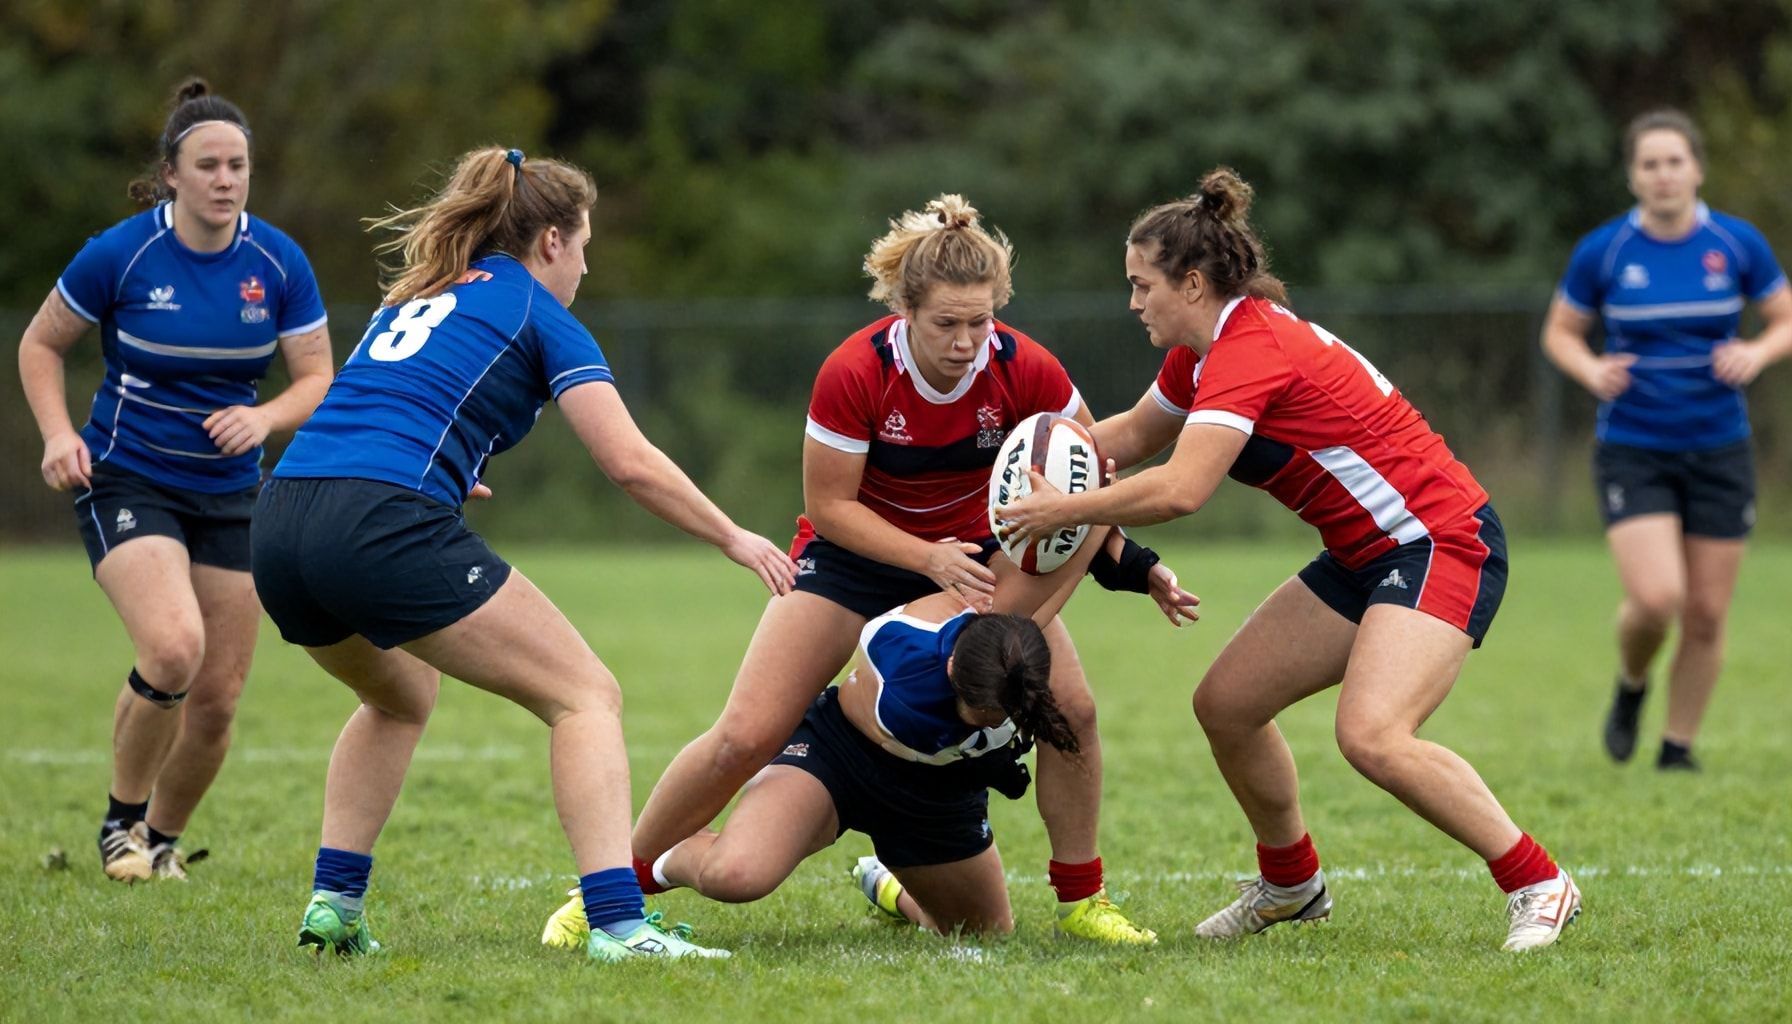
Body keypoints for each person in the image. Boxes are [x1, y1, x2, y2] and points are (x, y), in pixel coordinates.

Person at [998, 168, 1580, 952]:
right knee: (1228, 704)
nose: (1133, 303)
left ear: (1193, 283)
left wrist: (1060, 508)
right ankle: (1292, 885)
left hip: (1441, 540)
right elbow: (1130, 437)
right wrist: (1011, 461)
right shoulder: (1201, 353)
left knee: (1373, 734)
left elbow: (1181, 488)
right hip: (1362, 555)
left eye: (1143, 286)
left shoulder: (1251, 346)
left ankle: (1538, 880)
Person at [250, 146, 795, 961]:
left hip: (284, 518)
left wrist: (438, 473)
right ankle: (617, 924)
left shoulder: (417, 296)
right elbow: (629, 461)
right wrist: (733, 533)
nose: (585, 263)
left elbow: (384, 409)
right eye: (584, 244)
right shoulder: (540, 314)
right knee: (586, 697)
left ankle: (335, 903)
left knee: (400, 697)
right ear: (549, 242)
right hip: (377, 520)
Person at [624, 194, 1196, 945]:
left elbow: (1080, 484)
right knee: (746, 733)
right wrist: (925, 555)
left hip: (974, 566)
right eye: (946, 324)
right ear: (905, 311)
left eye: (981, 322)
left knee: (1073, 712)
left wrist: (1134, 563)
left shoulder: (1026, 368)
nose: (967, 343)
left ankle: (1083, 901)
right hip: (856, 560)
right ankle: (610, 889)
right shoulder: (856, 370)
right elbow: (829, 506)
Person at [17, 79, 333, 883]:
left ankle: (160, 844)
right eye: (209, 166)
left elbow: (316, 379)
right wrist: (58, 435)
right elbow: (40, 345)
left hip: (230, 491)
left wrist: (263, 421)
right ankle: (120, 825)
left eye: (239, 166)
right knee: (172, 648)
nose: (226, 180)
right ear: (172, 174)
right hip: (129, 477)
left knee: (218, 698)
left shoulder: (278, 262)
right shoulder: (121, 254)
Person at [540, 530, 1114, 944]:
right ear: (949, 678)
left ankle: (890, 888)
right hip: (842, 759)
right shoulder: (909, 688)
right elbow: (1032, 610)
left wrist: (1094, 521)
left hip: (936, 792)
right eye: (982, 713)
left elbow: (1047, 596)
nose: (991, 721)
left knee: (984, 935)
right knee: (736, 876)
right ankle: (647, 871)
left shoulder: (1002, 649)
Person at [1541, 109, 1792, 772]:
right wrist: (1591, 367)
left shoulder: (1736, 244)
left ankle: (1676, 749)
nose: (1663, 175)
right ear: (1633, 176)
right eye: (1649, 164)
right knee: (1657, 599)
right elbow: (1560, 333)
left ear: (1697, 169)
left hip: (1720, 447)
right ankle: (1631, 686)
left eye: (1674, 161)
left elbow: (1784, 319)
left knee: (1707, 612)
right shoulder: (1606, 251)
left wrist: (1758, 352)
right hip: (1634, 444)